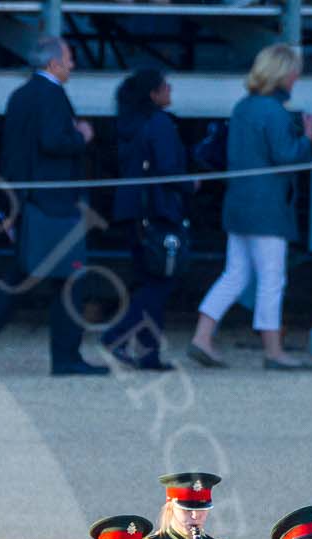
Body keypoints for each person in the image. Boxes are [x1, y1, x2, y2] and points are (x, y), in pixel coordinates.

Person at [0, 35, 104, 377]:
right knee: (69, 276)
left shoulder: (20, 96)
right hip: (54, 204)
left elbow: (11, 153)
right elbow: (53, 141)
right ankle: (65, 357)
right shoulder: (52, 96)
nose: (72, 65)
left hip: (29, 199)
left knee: (25, 274)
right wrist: (81, 136)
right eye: (68, 59)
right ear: (53, 63)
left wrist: (8, 205)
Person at [188, 44, 312, 370]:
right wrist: (309, 138)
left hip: (239, 204)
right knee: (272, 278)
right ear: (284, 74)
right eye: (293, 72)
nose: (296, 77)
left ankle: (202, 336)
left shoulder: (243, 107)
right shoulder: (273, 112)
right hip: (268, 209)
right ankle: (273, 351)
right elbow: (287, 157)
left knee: (235, 274)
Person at [102, 66, 190, 371]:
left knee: (149, 278)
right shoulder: (159, 123)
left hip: (133, 210)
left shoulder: (129, 124)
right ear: (154, 94)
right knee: (162, 281)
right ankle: (118, 335)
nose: (171, 91)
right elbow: (167, 169)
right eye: (166, 86)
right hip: (157, 209)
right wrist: (191, 184)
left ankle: (148, 351)